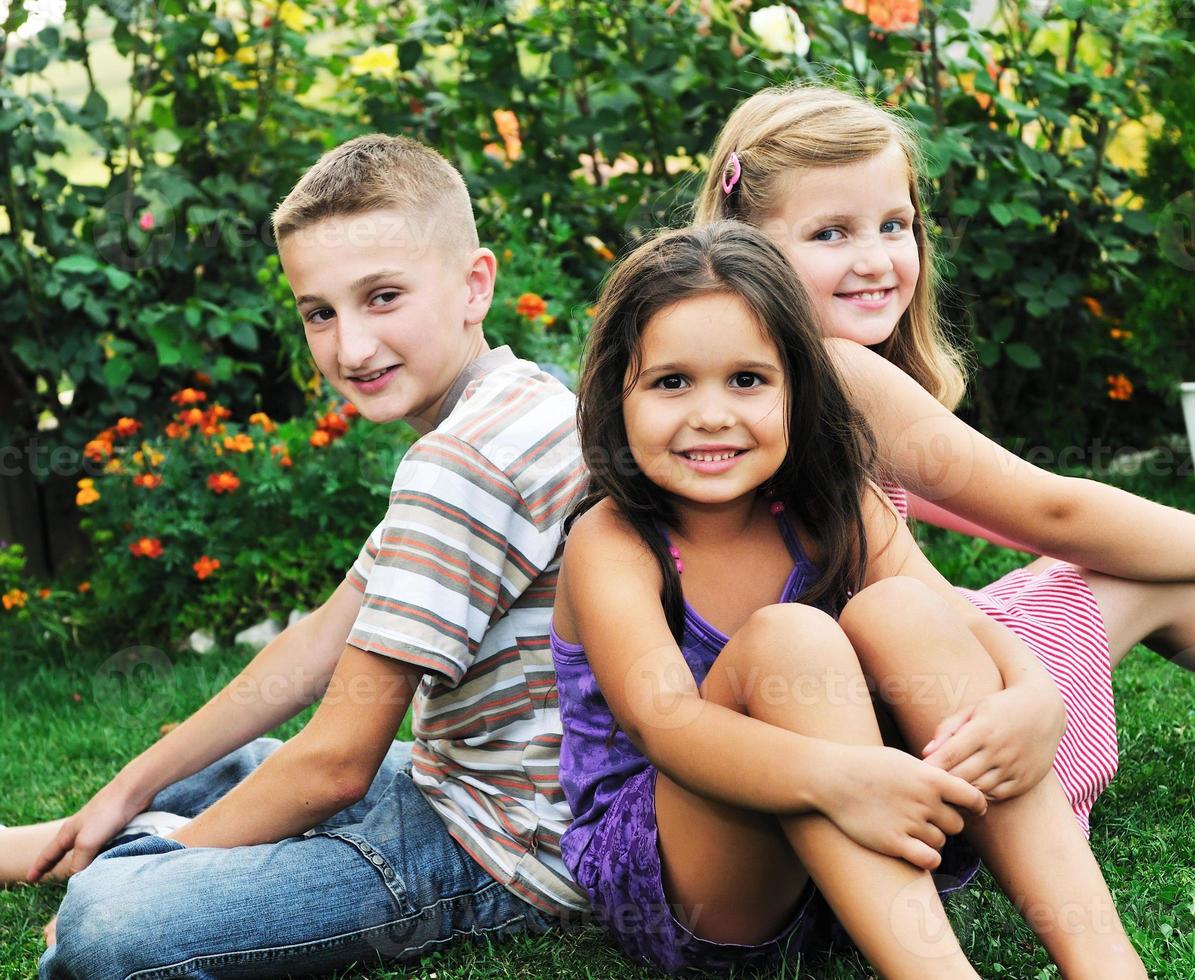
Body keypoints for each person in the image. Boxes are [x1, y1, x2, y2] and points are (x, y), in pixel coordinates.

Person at [10, 132, 589, 978]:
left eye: (382, 297)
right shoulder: (519, 397)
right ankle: (69, 838)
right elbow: (321, 639)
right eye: (319, 311)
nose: (350, 348)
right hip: (443, 779)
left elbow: (339, 765)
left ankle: (113, 860)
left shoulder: (464, 462)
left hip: (501, 847)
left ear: (475, 284)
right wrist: (129, 785)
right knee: (234, 764)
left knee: (108, 928)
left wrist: (163, 871)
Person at [552, 220, 1146, 978]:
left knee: (899, 609)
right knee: (787, 641)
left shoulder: (831, 501)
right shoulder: (612, 543)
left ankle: (1105, 964)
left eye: (747, 379)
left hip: (862, 845)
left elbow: (956, 614)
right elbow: (666, 727)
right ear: (616, 395)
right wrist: (840, 781)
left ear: (798, 388)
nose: (710, 414)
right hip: (695, 877)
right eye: (671, 382)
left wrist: (1035, 695)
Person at [694, 82, 1195, 836]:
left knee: (1116, 562)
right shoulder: (837, 368)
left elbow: (979, 512)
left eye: (895, 225)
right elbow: (1049, 511)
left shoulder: (745, 382)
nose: (875, 259)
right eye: (831, 233)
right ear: (749, 250)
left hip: (844, 708)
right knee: (1143, 575)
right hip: (917, 723)